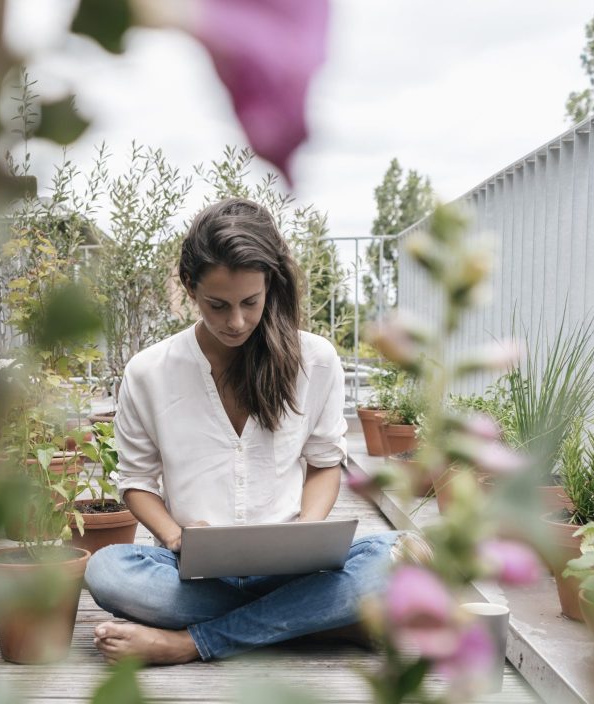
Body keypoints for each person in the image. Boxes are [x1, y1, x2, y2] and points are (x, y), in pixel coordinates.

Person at [85, 197, 413, 666]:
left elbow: (325, 465)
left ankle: (193, 642)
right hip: (191, 574)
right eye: (216, 305)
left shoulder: (314, 360)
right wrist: (176, 537)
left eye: (250, 302)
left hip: (289, 571)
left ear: (270, 288)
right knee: (107, 572)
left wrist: (306, 533)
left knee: (395, 554)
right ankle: (316, 619)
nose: (235, 322)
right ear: (189, 288)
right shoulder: (148, 372)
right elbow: (136, 483)